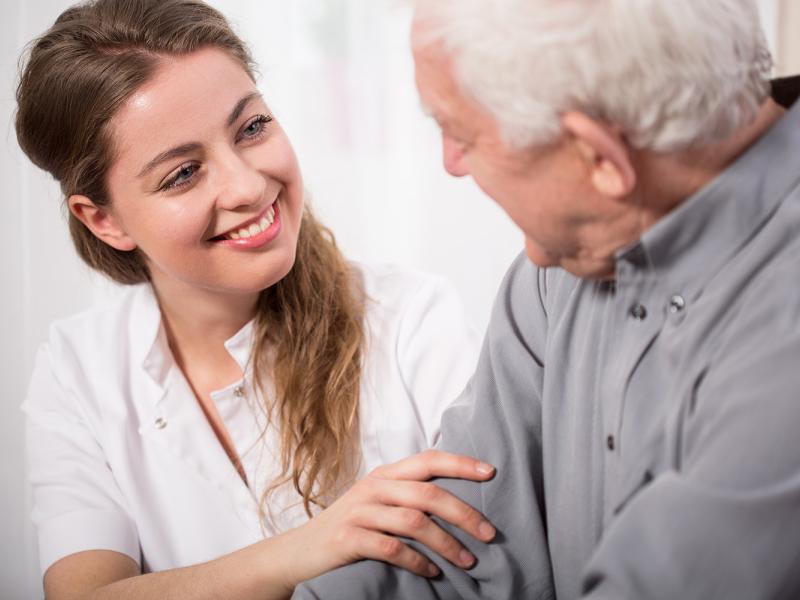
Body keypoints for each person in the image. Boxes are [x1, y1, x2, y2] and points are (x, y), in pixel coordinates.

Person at [292, 0, 800, 598]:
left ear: (601, 159)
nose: (450, 164)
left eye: (460, 133)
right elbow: (446, 542)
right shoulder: (562, 266)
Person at [16, 1, 500, 598]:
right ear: (104, 220)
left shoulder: (413, 320)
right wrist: (310, 546)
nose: (247, 185)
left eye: (251, 128)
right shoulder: (77, 370)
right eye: (183, 174)